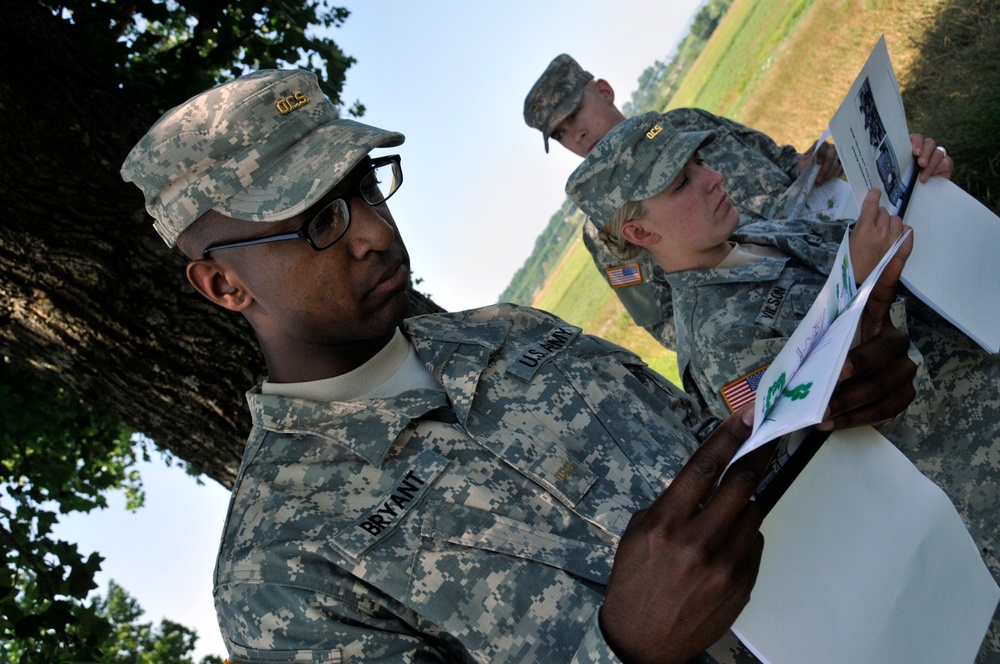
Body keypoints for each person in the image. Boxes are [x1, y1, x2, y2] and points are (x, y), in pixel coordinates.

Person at [121, 69, 918, 663]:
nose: (373, 232)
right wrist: (626, 650)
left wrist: (822, 405)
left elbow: (727, 453)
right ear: (224, 283)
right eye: (323, 219)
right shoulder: (280, 574)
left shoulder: (511, 334)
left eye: (367, 189)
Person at [565, 111, 999, 661]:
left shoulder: (758, 233)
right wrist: (867, 284)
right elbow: (864, 426)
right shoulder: (720, 344)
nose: (713, 177)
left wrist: (913, 184)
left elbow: (888, 253)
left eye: (699, 160)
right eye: (682, 183)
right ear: (641, 233)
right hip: (974, 498)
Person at [522, 53, 952, 348]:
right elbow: (669, 325)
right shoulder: (607, 227)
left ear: (604, 90)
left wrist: (816, 163)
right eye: (559, 133)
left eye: (575, 113)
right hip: (816, 319)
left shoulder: (686, 124)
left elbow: (783, 160)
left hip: (858, 247)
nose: (574, 135)